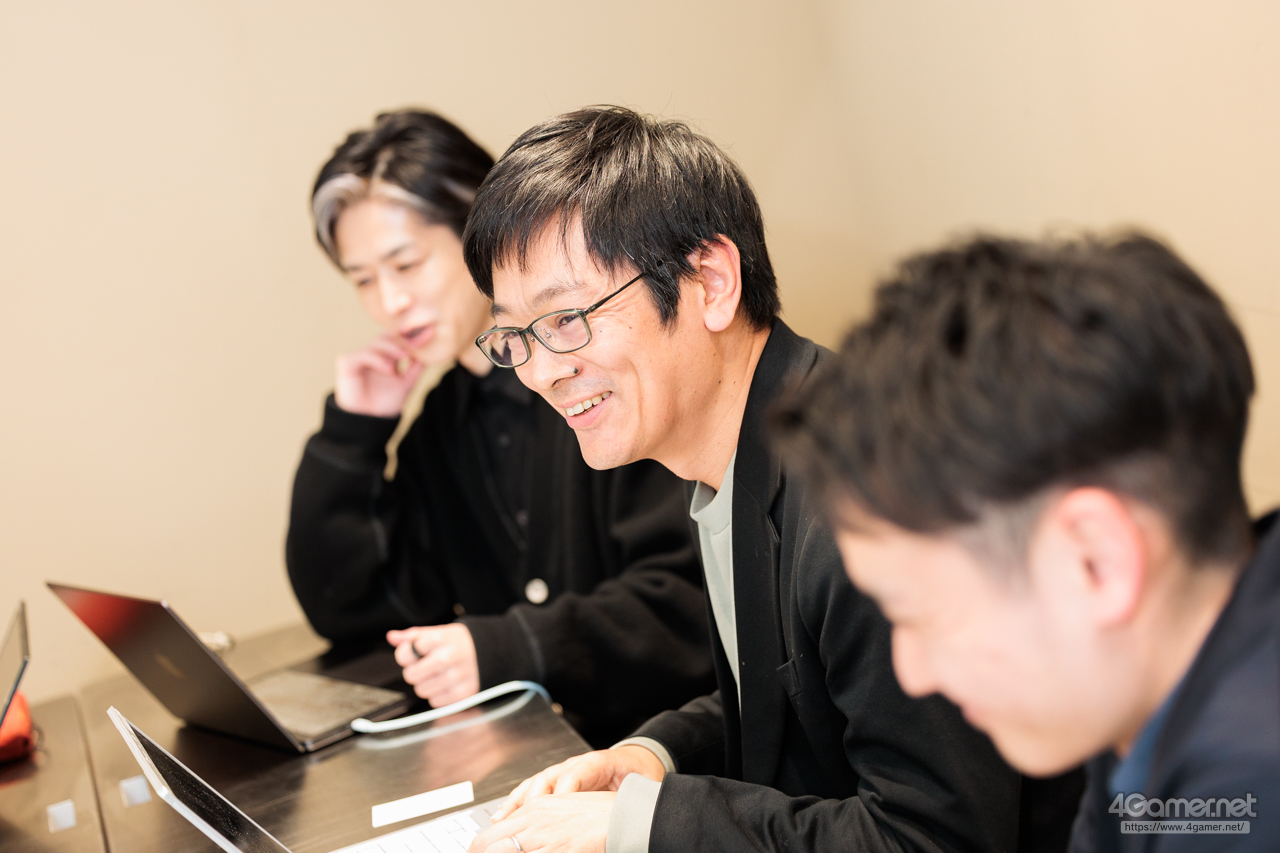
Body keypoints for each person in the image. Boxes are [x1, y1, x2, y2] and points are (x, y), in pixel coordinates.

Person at [460, 106, 1019, 853]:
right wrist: (651, 758)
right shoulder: (739, 451)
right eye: (516, 336)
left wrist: (648, 825)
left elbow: (936, 837)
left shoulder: (870, 495)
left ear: (711, 282)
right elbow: (790, 701)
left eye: (565, 318)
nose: (540, 371)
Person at [773, 234, 1280, 850]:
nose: (912, 672)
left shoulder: (1246, 800)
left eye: (923, 615)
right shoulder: (1134, 700)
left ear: (1096, 561)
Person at [286, 109, 716, 748]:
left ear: (476, 232)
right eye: (364, 280)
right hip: (546, 758)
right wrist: (353, 432)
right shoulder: (442, 425)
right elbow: (360, 610)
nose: (390, 303)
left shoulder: (601, 377)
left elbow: (697, 600)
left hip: (678, 753)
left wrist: (510, 647)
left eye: (406, 264)